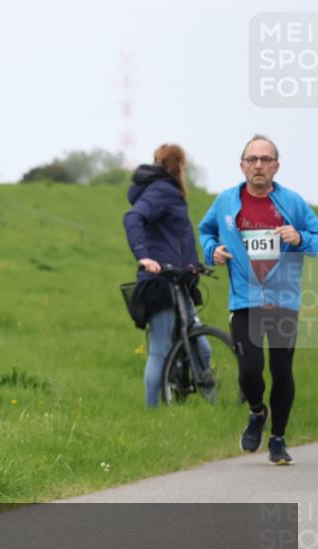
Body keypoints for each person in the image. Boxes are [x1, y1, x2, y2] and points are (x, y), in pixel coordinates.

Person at [199, 135, 318, 465]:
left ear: (276, 167)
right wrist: (213, 251)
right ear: (242, 166)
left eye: (266, 160)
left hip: (284, 301)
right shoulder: (225, 201)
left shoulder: (293, 202)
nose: (259, 165)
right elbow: (205, 230)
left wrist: (300, 238)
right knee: (250, 371)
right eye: (252, 159)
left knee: (282, 372)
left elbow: (317, 238)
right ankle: (256, 412)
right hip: (244, 300)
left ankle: (278, 439)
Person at [122, 144, 211, 407]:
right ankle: (152, 413)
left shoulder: (169, 192)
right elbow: (132, 219)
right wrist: (144, 257)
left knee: (202, 346)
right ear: (180, 165)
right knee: (160, 348)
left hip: (179, 279)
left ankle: (212, 404)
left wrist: (193, 265)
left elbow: (177, 237)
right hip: (159, 282)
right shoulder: (161, 191)